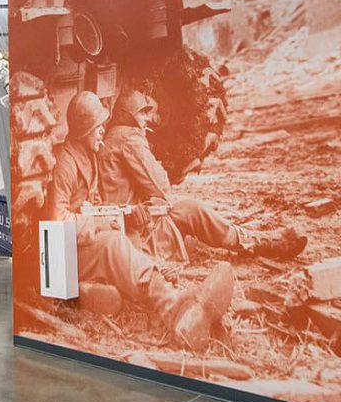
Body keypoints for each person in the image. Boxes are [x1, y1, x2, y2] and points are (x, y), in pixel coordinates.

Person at [46, 91, 234, 352]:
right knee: (114, 244)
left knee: (125, 239)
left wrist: (126, 213)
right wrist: (99, 224)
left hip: (84, 241)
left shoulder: (89, 155)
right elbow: (56, 221)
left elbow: (94, 203)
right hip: (66, 252)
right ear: (85, 129)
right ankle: (174, 308)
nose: (103, 131)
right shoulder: (66, 162)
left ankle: (160, 296)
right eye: (98, 126)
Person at [99, 90, 307, 260]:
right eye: (142, 114)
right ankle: (260, 243)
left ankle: (253, 240)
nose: (147, 120)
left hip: (128, 228)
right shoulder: (129, 138)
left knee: (189, 209)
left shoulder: (114, 137)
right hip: (134, 236)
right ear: (128, 116)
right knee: (193, 211)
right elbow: (161, 186)